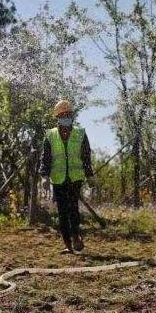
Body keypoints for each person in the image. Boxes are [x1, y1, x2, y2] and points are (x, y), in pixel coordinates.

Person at [39, 100, 94, 254]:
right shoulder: (50, 135)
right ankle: (67, 244)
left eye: (68, 114)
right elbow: (46, 158)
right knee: (62, 212)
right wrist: (44, 176)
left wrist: (90, 175)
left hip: (75, 178)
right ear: (57, 117)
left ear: (72, 116)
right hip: (58, 178)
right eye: (62, 115)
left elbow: (86, 156)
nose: (66, 117)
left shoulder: (80, 133)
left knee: (73, 208)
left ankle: (76, 236)